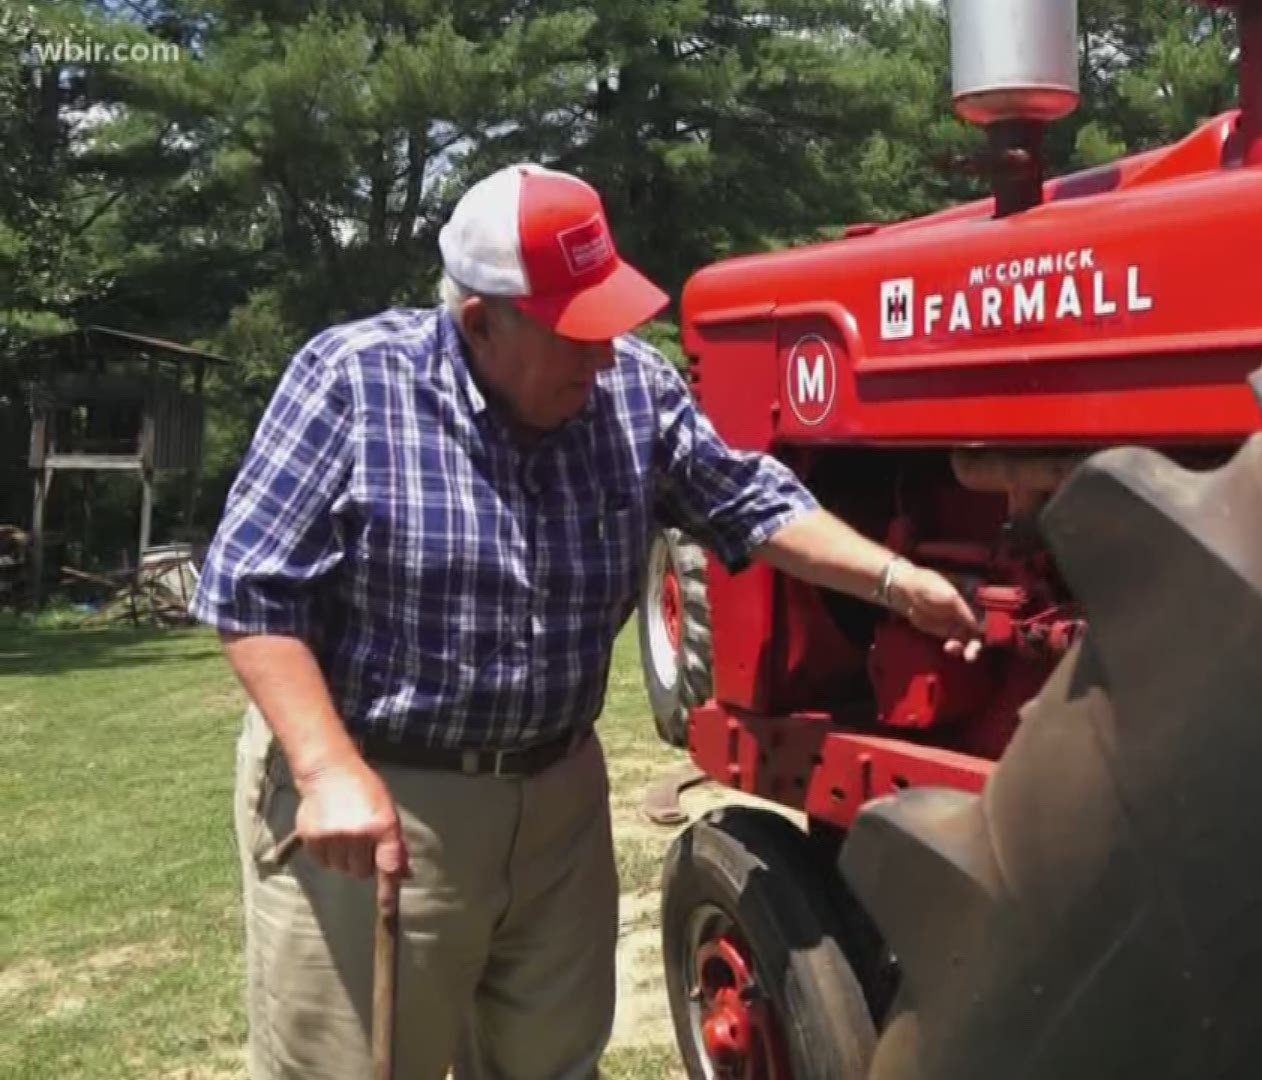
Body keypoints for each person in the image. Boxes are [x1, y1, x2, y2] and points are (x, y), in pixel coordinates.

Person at [190, 161, 982, 1079]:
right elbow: (251, 590)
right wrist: (325, 769)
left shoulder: (633, 394)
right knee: (353, 1068)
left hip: (558, 799)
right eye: (576, 334)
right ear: (480, 321)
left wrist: (893, 579)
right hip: (379, 797)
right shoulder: (351, 383)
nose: (605, 356)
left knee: (553, 1063)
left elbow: (751, 500)